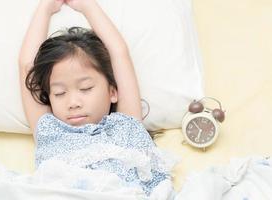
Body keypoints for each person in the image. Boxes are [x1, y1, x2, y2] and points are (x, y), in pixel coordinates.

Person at [18, 0, 175, 198]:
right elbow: (26, 65)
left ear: (113, 92)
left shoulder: (126, 123)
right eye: (59, 93)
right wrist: (46, 8)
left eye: (85, 88)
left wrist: (87, 6)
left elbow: (119, 52)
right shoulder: (50, 130)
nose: (73, 102)